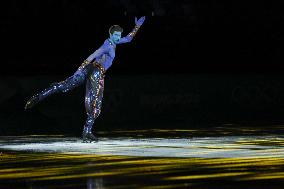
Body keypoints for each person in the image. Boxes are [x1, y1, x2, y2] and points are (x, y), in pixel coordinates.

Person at [25, 16, 146, 142]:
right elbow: (93, 55)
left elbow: (128, 38)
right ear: (110, 34)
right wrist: (78, 69)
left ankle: (39, 96)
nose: (118, 37)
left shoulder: (113, 42)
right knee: (96, 104)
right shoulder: (107, 46)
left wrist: (137, 26)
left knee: (65, 86)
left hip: (89, 69)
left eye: (119, 35)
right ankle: (86, 132)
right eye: (116, 35)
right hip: (96, 72)